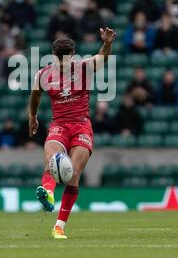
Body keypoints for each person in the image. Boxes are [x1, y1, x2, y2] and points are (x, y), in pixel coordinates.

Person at [29, 27, 116, 239]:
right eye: (59, 60)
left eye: (65, 59)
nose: (62, 63)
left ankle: (58, 226)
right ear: (53, 57)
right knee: (51, 160)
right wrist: (33, 116)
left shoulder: (83, 68)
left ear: (73, 56)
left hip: (81, 126)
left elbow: (102, 57)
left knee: (73, 174)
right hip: (59, 125)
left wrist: (106, 43)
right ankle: (48, 194)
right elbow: (35, 95)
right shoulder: (43, 74)